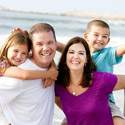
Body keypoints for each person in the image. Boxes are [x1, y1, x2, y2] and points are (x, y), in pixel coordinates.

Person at [56, 20, 125, 125]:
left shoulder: (107, 54)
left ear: (108, 40)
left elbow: (122, 48)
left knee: (119, 121)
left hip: (106, 101)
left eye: (104, 36)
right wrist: (34, 40)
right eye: (96, 35)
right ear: (86, 36)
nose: (100, 39)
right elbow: (63, 48)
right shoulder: (80, 53)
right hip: (82, 100)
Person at [0, 23, 57, 125]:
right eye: (39, 44)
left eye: (50, 42)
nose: (46, 48)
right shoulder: (16, 77)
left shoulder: (51, 67)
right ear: (32, 47)